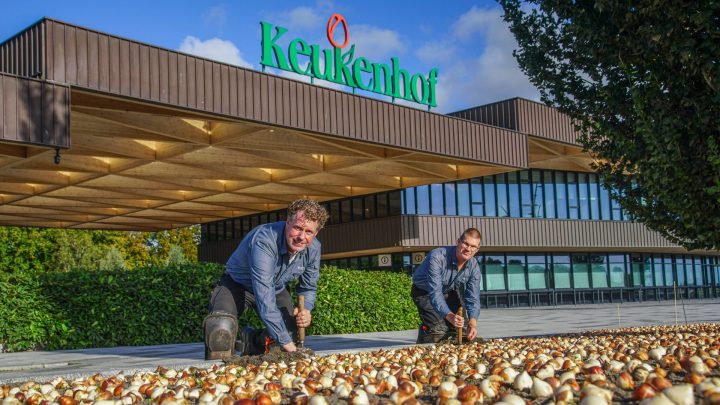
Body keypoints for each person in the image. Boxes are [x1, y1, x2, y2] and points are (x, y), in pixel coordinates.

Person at [203, 199, 328, 359]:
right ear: (287, 222)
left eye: (309, 232)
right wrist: (286, 343)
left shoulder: (314, 248)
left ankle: (253, 341)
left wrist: (306, 309)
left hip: (276, 289)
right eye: (297, 228)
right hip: (237, 286)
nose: (301, 237)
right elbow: (264, 295)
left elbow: (308, 287)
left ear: (316, 233)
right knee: (220, 330)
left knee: (289, 333)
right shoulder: (265, 240)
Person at [411, 228, 482, 343]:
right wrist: (450, 316)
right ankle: (426, 333)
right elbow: (435, 292)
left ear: (477, 249)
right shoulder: (437, 257)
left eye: (473, 246)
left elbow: (473, 297)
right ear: (458, 241)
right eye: (465, 243)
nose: (468, 249)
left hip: (449, 291)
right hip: (425, 292)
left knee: (462, 331)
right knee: (439, 332)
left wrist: (473, 323)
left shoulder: (474, 266)